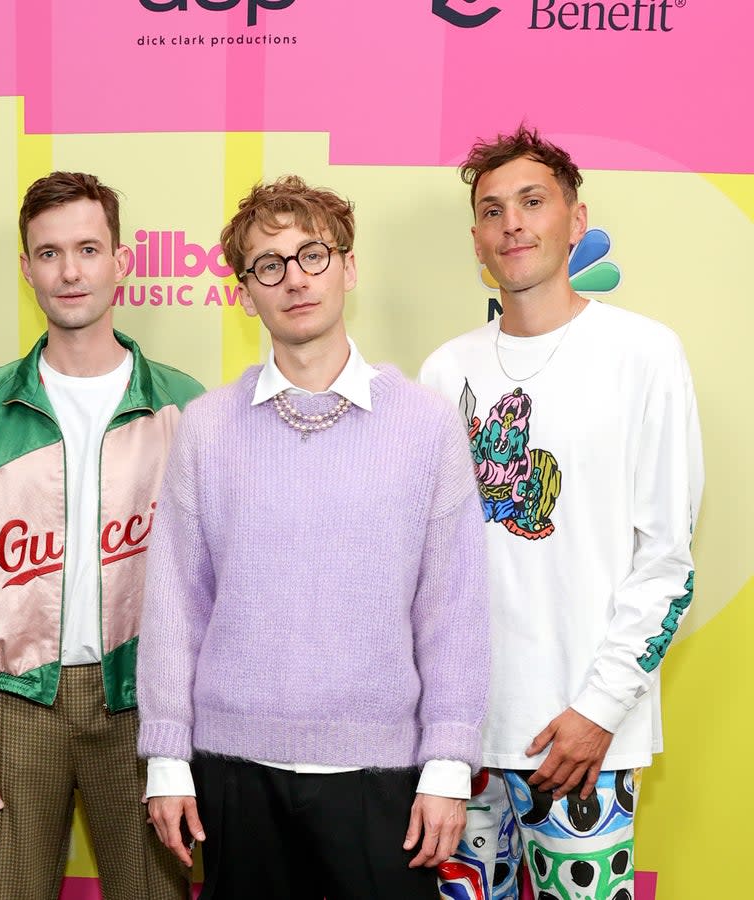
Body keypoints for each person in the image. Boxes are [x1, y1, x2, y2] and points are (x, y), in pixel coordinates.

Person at [137, 175, 490, 899]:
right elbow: (175, 602)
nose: (294, 279)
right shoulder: (206, 427)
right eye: (269, 265)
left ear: (349, 267)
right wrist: (167, 758)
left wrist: (450, 764)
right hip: (233, 773)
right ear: (244, 292)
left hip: (384, 779)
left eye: (312, 255)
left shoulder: (426, 425)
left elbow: (454, 608)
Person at [419, 125, 704, 900]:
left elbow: (667, 557)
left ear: (575, 221)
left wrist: (600, 709)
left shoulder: (643, 355)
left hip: (585, 743)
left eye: (533, 201)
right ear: (477, 237)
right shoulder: (446, 370)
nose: (512, 222)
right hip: (460, 742)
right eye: (492, 209)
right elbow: (429, 563)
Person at [0, 171, 202, 900]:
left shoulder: (186, 405)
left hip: (145, 705)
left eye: (87, 248)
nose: (70, 271)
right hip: (14, 705)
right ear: (25, 269)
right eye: (48, 253)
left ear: (123, 260)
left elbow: (215, 586)